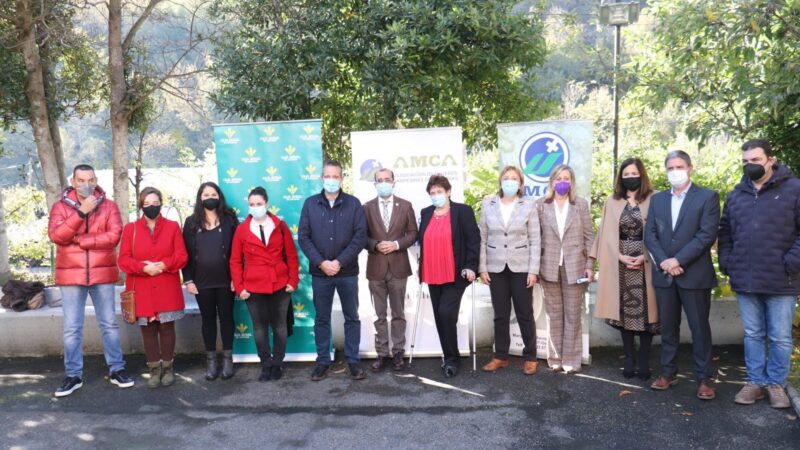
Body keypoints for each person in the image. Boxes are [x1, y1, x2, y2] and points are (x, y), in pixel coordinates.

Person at [719, 139, 800, 408]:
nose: (749, 165)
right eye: (745, 161)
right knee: (753, 334)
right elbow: (725, 232)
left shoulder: (794, 189)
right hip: (745, 278)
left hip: (782, 278)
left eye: (755, 160)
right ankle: (755, 382)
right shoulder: (736, 195)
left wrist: (791, 262)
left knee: (779, 336)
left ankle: (776, 384)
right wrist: (728, 262)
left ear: (770, 160)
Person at [48, 164, 133, 397]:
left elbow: (114, 236)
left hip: (102, 274)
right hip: (71, 275)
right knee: (72, 328)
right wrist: (81, 213)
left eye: (91, 179)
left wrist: (82, 241)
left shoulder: (109, 206)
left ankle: (117, 369)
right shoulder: (60, 207)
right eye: (82, 180)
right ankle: (73, 375)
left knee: (109, 324)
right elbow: (57, 236)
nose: (87, 184)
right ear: (73, 182)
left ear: (96, 180)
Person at [644, 150, 719, 400]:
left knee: (699, 328)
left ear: (690, 168)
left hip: (694, 275)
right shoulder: (658, 200)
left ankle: (704, 378)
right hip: (665, 275)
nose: (674, 171)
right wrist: (666, 262)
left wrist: (678, 260)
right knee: (668, 328)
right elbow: (650, 234)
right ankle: (668, 372)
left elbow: (706, 235)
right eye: (670, 168)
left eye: (679, 166)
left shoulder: (707, 197)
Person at [591, 158, 660, 381]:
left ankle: (644, 359)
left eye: (634, 173)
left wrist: (645, 255)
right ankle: (629, 358)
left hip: (646, 260)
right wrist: (616, 255)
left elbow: (662, 232)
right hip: (618, 260)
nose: (630, 177)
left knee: (647, 314)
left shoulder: (655, 198)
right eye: (626, 174)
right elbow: (605, 234)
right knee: (624, 313)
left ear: (642, 174)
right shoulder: (612, 201)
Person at [298, 160, 368, 381]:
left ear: (341, 179)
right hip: (320, 274)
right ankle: (322, 361)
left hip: (347, 272)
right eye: (327, 176)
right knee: (321, 318)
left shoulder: (354, 204)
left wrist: (339, 262)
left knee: (352, 317)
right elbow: (304, 237)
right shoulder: (310, 204)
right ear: (322, 178)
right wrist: (322, 263)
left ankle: (353, 361)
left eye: (335, 176)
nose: (331, 180)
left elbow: (360, 237)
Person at [118, 187, 188, 389]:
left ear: (161, 204)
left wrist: (164, 265)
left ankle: (168, 367)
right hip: (142, 287)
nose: (151, 207)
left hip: (166, 284)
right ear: (140, 205)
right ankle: (154, 370)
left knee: (167, 327)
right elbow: (123, 260)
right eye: (147, 204)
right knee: (147, 329)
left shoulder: (173, 226)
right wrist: (143, 268)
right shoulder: (130, 229)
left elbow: (182, 255)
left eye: (155, 203)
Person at [230, 187, 299, 382]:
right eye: (252, 205)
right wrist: (240, 286)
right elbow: (235, 260)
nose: (255, 207)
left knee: (280, 326)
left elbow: (292, 256)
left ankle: (277, 363)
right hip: (253, 285)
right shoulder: (242, 230)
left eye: (259, 204)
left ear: (267, 204)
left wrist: (292, 281)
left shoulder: (280, 225)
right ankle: (266, 364)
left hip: (280, 283)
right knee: (259, 327)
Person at [479, 166, 541, 375]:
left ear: (521, 183)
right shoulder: (488, 204)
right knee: (500, 314)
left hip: (521, 267)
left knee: (525, 313)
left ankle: (531, 356)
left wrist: (533, 271)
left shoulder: (529, 205)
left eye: (514, 179)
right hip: (495, 267)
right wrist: (482, 267)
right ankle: (501, 356)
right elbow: (483, 238)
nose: (510, 181)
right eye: (506, 178)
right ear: (500, 181)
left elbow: (535, 239)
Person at [418, 174, 480, 378]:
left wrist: (471, 266)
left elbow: (473, 240)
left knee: (446, 313)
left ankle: (453, 359)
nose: (436, 196)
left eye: (439, 192)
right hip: (432, 272)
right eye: (432, 193)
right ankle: (448, 356)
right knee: (439, 317)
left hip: (456, 274)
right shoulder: (426, 213)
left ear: (448, 192)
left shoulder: (462, 211)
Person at [536, 164, 594, 374]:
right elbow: (535, 238)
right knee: (554, 315)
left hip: (575, 267)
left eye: (567, 178)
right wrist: (534, 269)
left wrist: (590, 266)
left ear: (572, 182)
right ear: (552, 181)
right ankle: (555, 357)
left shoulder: (580, 204)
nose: (563, 182)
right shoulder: (541, 205)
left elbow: (589, 236)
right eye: (559, 178)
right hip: (548, 267)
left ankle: (571, 359)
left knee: (572, 315)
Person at [182, 182, 239, 381]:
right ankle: (211, 362)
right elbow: (185, 255)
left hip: (226, 281)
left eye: (213, 193)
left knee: (227, 318)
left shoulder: (230, 220)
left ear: (219, 196)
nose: (209, 197)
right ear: (200, 198)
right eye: (205, 194)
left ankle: (228, 360)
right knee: (207, 320)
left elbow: (238, 252)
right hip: (201, 282)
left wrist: (237, 278)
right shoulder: (190, 222)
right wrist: (188, 279)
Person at [363, 168, 418, 372]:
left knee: (398, 313)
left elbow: (413, 233)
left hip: (398, 267)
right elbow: (361, 236)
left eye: (387, 179)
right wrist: (376, 244)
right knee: (379, 315)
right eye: (380, 180)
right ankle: (381, 354)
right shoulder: (366, 208)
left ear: (394, 182)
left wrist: (395, 244)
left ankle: (398, 353)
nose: (384, 183)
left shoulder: (405, 206)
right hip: (376, 267)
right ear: (375, 184)